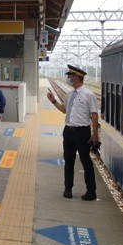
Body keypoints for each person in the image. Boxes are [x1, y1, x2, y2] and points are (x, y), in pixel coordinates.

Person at [47, 65, 99, 201]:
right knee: (68, 161)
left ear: (77, 78)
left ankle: (91, 191)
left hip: (83, 132)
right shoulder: (69, 95)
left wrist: (94, 135)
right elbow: (64, 110)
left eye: (70, 76)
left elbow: (94, 115)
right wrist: (53, 101)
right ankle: (68, 189)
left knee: (85, 161)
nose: (69, 78)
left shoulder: (89, 95)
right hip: (68, 131)